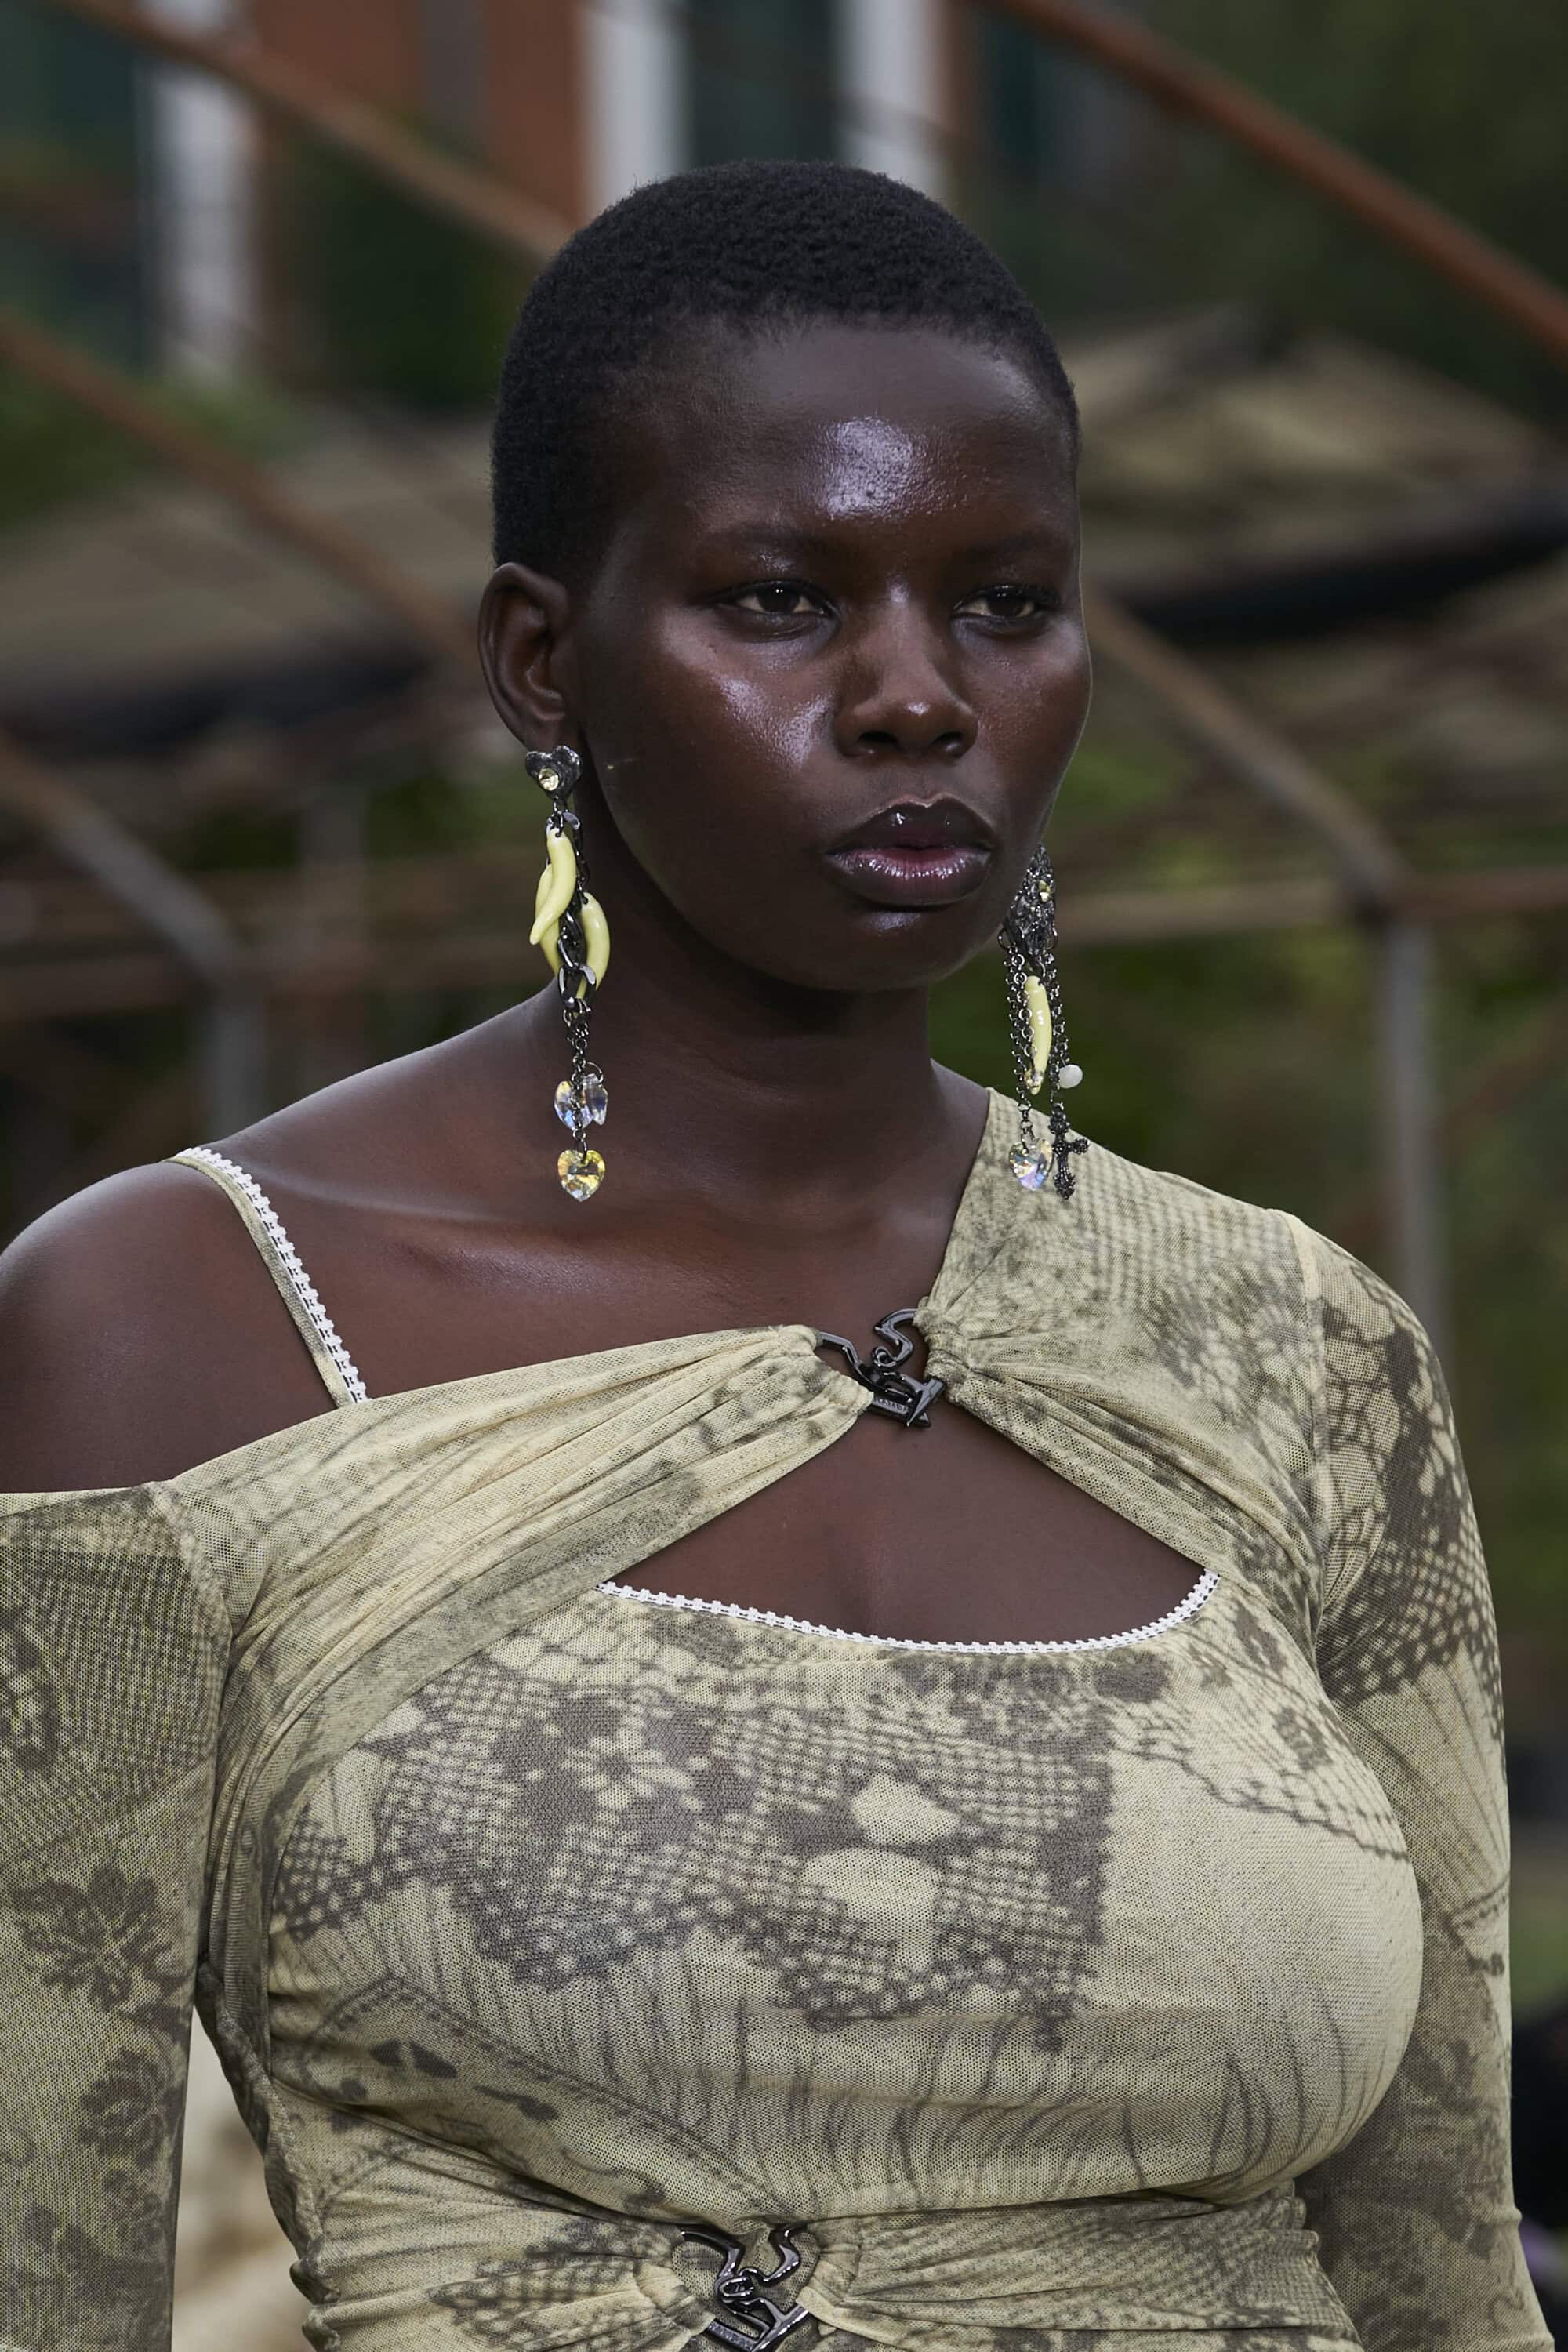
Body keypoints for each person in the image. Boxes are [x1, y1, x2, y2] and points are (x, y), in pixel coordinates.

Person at [0, 160, 1547, 2352]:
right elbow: (32, 2257)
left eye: (1005, 604)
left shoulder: (1292, 1351)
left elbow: (1442, 2266)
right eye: (783, 601)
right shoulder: (188, 1323)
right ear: (544, 660)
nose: (917, 697)